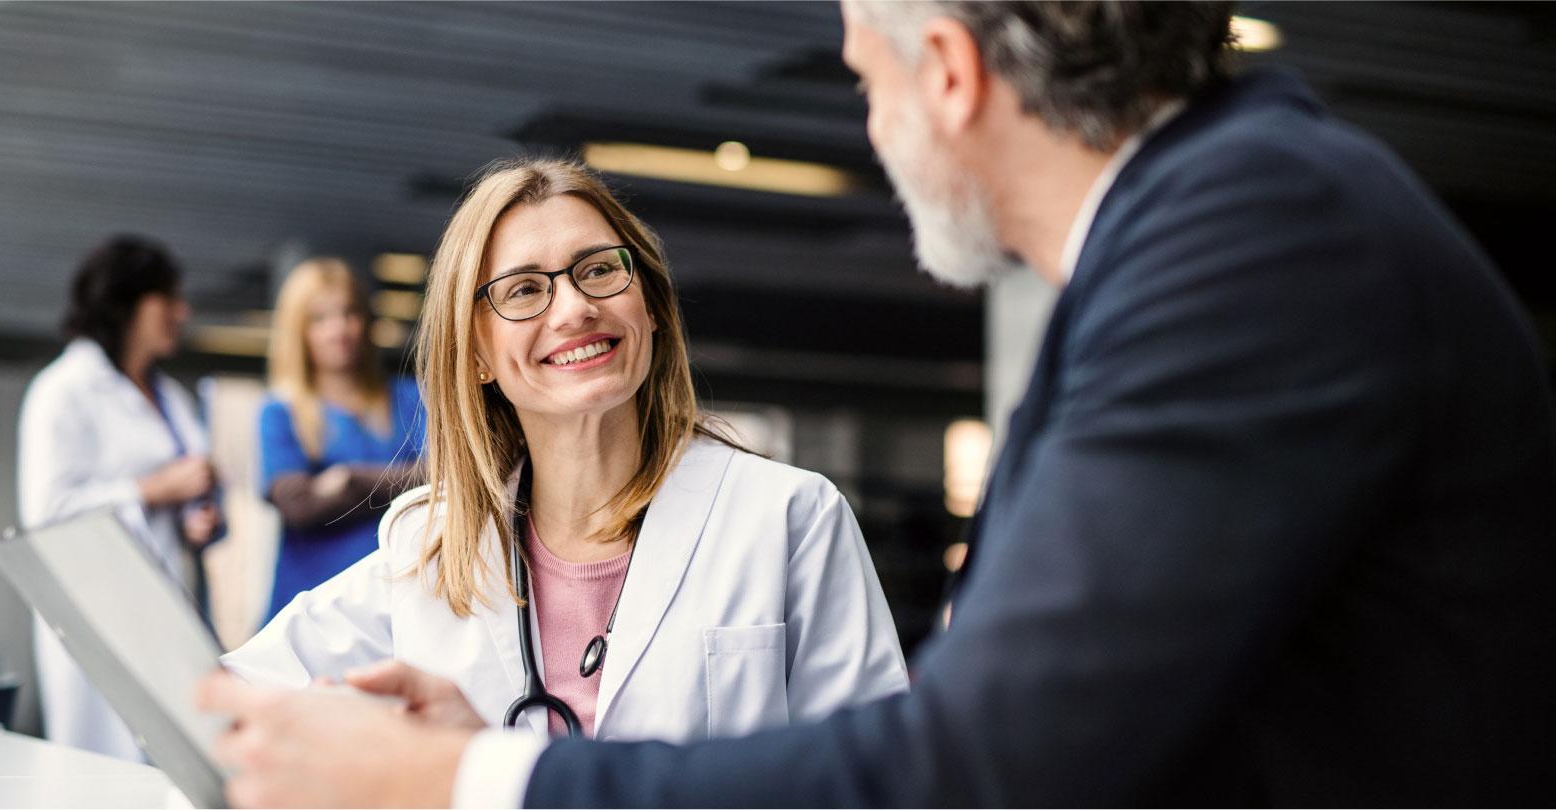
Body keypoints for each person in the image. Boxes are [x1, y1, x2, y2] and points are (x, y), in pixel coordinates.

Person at [197, 1, 1556, 805]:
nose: (867, 125)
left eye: (863, 77)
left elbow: (976, 760)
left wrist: (468, 782)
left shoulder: (1253, 238)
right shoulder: (1206, 227)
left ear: (949, 75)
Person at [217, 159, 907, 745]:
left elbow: (878, 780)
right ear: (477, 352)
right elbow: (225, 701)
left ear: (652, 307)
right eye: (523, 290)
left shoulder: (788, 516)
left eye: (599, 270)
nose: (572, 308)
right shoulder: (427, 543)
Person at [20, 234, 224, 759]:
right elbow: (45, 514)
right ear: (128, 303)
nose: (184, 312)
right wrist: (153, 490)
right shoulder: (63, 391)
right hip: (97, 608)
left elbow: (191, 497)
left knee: (178, 761)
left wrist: (197, 519)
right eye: (169, 299)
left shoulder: (173, 397)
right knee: (101, 768)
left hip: (168, 604)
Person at [256, 257, 426, 625]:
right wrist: (402, 480)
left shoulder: (410, 398)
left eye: (349, 313)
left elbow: (447, 477)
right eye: (320, 319)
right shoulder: (280, 412)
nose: (339, 329)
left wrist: (347, 481)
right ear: (298, 331)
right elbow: (298, 506)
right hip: (313, 607)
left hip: (400, 600)